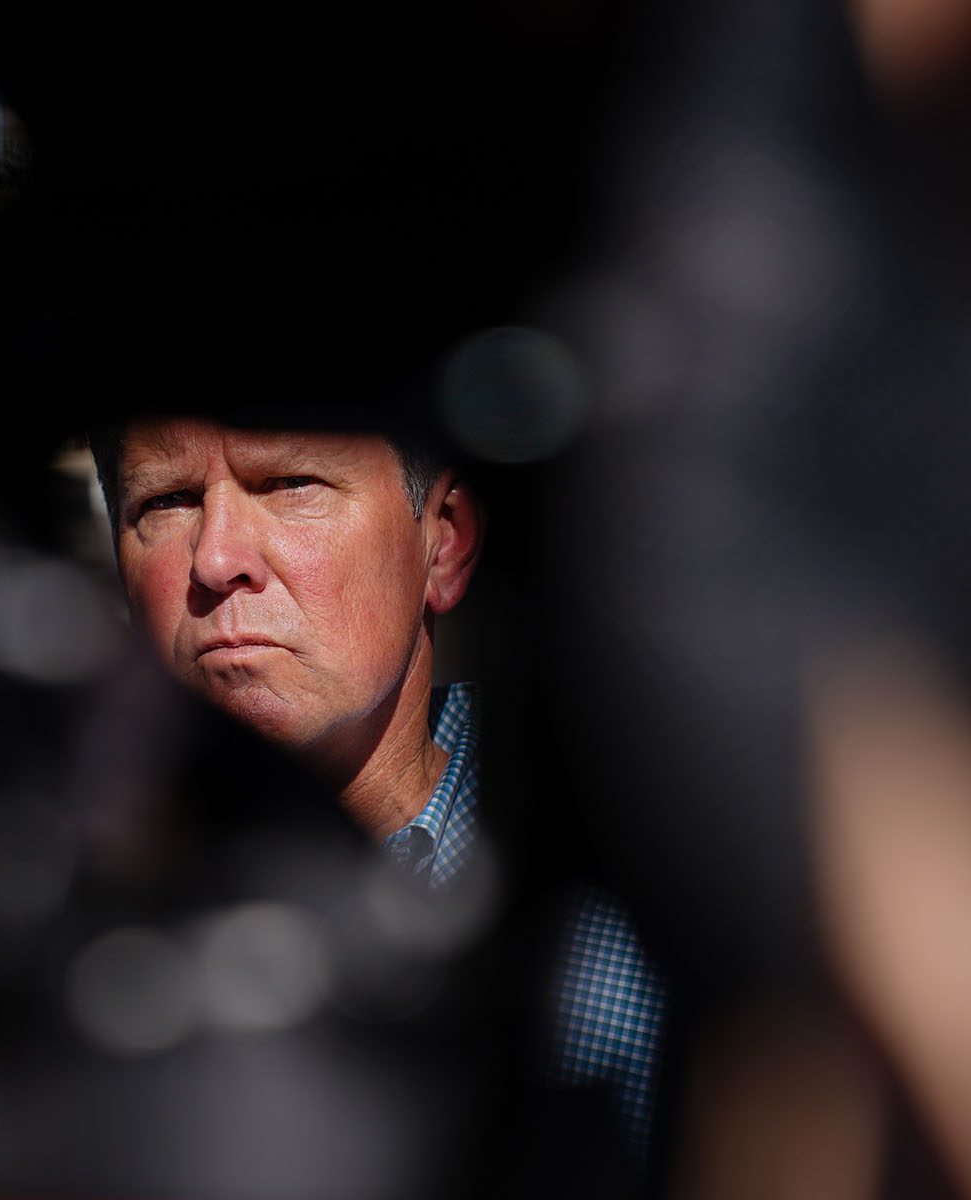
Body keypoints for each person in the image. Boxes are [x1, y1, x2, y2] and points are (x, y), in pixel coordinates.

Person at [88, 416, 670, 1162]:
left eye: (290, 484)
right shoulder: (48, 914)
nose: (217, 558)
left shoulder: (629, 911)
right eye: (166, 502)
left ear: (447, 541)